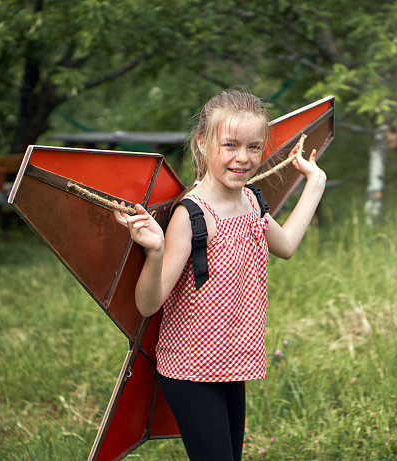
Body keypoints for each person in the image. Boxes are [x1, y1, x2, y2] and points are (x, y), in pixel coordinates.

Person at [113, 89, 326, 460]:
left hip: (233, 362)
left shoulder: (251, 200)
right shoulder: (193, 215)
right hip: (191, 369)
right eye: (230, 145)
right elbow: (148, 304)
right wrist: (156, 250)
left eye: (254, 147)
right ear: (202, 143)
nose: (242, 158)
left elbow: (287, 245)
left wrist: (316, 182)